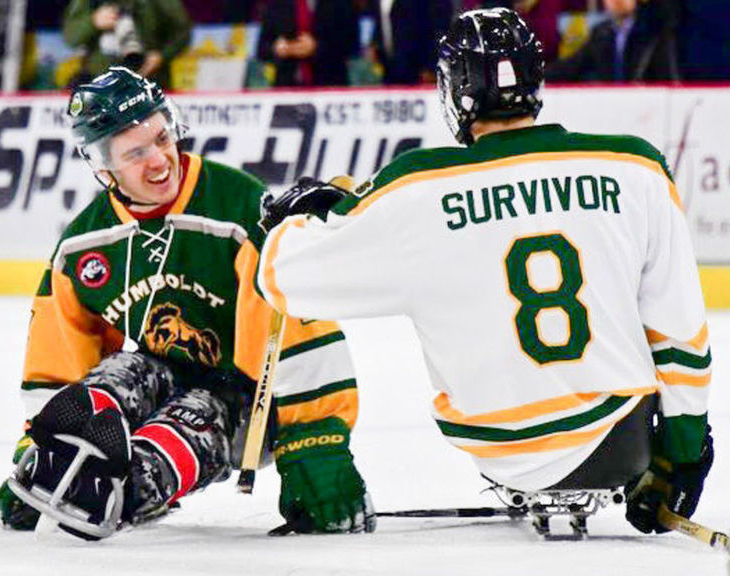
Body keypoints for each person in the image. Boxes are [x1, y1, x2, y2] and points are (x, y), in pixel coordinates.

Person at [256, 8, 713, 535]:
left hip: (502, 448)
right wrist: (680, 454)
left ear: (454, 92)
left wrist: (301, 221)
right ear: (535, 79)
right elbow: (680, 334)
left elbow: (282, 278)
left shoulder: (415, 187)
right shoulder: (635, 167)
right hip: (623, 444)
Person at [0, 66, 375, 539]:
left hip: (247, 399)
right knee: (118, 376)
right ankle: (62, 472)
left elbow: (301, 326)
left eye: (161, 137)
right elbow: (58, 360)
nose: (158, 160)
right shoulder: (83, 245)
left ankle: (131, 487)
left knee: (194, 412)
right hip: (166, 370)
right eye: (134, 152)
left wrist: (316, 444)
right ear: (102, 166)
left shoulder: (238, 208)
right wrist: (39, 446)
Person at [62, 0, 192, 89]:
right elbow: (70, 36)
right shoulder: (86, 3)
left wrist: (161, 56)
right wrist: (93, 21)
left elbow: (182, 31)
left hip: (148, 83)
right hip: (100, 84)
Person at [545, 0, 679, 83]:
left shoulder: (655, 32)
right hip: (612, 106)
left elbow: (669, 78)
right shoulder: (601, 34)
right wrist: (536, 76)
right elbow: (571, 67)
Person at [257, 0, 359, 87]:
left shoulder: (340, 3)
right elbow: (262, 49)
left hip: (329, 87)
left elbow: (351, 45)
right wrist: (276, 49)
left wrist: (316, 47)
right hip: (287, 88)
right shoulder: (277, 4)